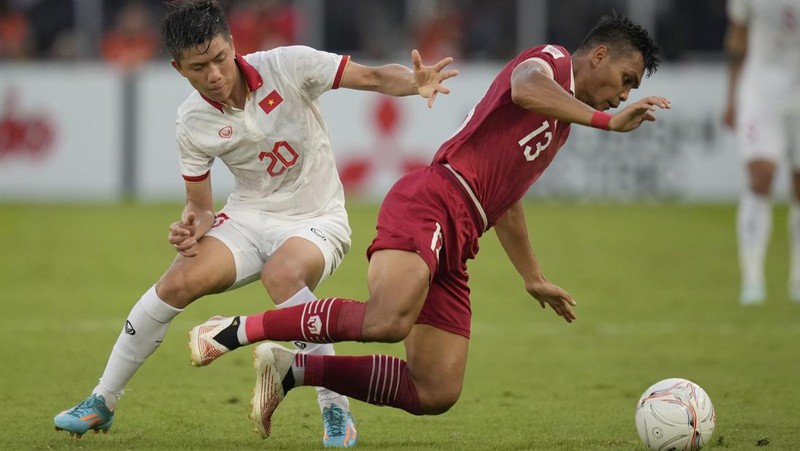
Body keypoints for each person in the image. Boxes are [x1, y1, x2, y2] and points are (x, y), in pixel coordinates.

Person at [189, 12, 668, 439]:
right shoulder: (551, 61)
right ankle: (235, 330)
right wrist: (604, 122)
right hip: (432, 201)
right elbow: (525, 84)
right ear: (599, 55)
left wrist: (532, 275)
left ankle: (292, 371)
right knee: (387, 320)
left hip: (461, 234)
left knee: (435, 389)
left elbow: (506, 198)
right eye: (625, 79)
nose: (624, 94)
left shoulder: (558, 123)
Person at [52, 0, 457, 447]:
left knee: (282, 274)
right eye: (199, 66)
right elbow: (200, 206)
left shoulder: (288, 64)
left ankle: (336, 410)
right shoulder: (192, 120)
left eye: (220, 59)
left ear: (233, 45)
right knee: (175, 284)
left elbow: (375, 76)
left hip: (316, 217)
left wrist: (414, 82)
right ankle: (102, 401)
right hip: (247, 217)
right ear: (178, 68)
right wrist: (192, 224)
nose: (215, 75)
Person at [722, 0, 800, 305]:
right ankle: (753, 280)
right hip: (761, 92)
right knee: (760, 175)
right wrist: (730, 95)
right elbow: (737, 34)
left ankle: (797, 278)